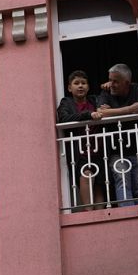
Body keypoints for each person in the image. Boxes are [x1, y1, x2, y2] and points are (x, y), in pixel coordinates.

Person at [95, 63, 138, 206]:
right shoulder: (106, 92)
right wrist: (130, 109)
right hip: (117, 150)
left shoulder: (137, 89)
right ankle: (129, 221)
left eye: (115, 81)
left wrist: (113, 112)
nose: (111, 84)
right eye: (110, 80)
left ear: (127, 83)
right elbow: (101, 112)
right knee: (123, 185)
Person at [56, 70, 105, 210]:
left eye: (83, 83)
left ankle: (100, 214)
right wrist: (88, 115)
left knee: (99, 183)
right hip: (80, 149)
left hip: (98, 147)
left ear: (88, 87)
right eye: (76, 83)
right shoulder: (66, 102)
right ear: (69, 88)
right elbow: (64, 118)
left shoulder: (94, 100)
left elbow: (106, 106)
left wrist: (106, 87)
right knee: (86, 175)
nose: (80, 86)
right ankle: (89, 211)